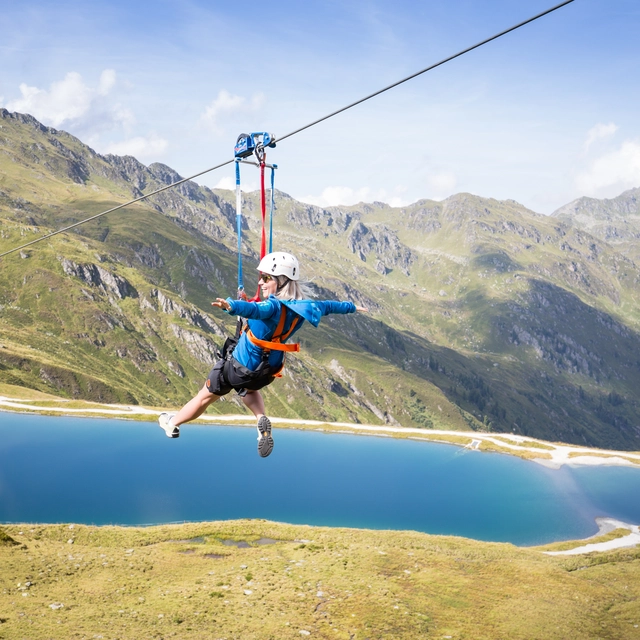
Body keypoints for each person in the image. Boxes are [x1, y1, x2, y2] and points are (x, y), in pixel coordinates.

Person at [158, 251, 367, 457]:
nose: (261, 283)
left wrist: (231, 306)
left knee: (204, 397)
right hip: (267, 371)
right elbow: (330, 306)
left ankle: (172, 423)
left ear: (282, 280)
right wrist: (352, 307)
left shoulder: (271, 306)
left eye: (266, 278)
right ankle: (261, 421)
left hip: (239, 366)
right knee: (249, 390)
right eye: (261, 278)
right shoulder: (307, 306)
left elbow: (254, 311)